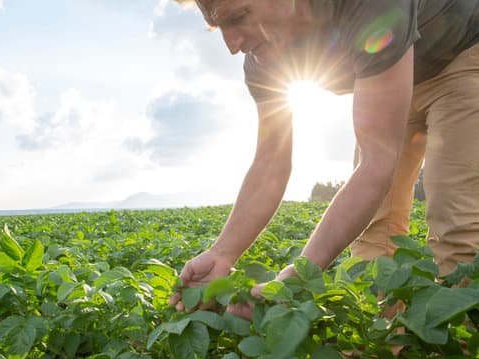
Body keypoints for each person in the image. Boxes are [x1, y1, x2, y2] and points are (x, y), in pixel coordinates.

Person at [169, 0, 479, 318]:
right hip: (392, 76)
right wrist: (222, 253)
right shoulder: (263, 58)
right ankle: (387, 344)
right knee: (375, 236)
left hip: (460, 56)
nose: (232, 46)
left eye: (238, 17)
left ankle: (462, 342)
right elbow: (269, 165)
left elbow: (377, 162)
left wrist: (301, 273)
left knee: (458, 224)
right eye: (219, 27)